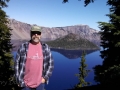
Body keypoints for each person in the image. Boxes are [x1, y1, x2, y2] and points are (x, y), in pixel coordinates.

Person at [14, 25, 54, 90]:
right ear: (30, 33)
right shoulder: (23, 47)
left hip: (40, 84)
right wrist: (18, 79)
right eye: (34, 32)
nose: (36, 35)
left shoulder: (45, 47)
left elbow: (51, 64)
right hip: (25, 84)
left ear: (40, 35)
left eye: (38, 33)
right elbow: (17, 64)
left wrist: (45, 78)